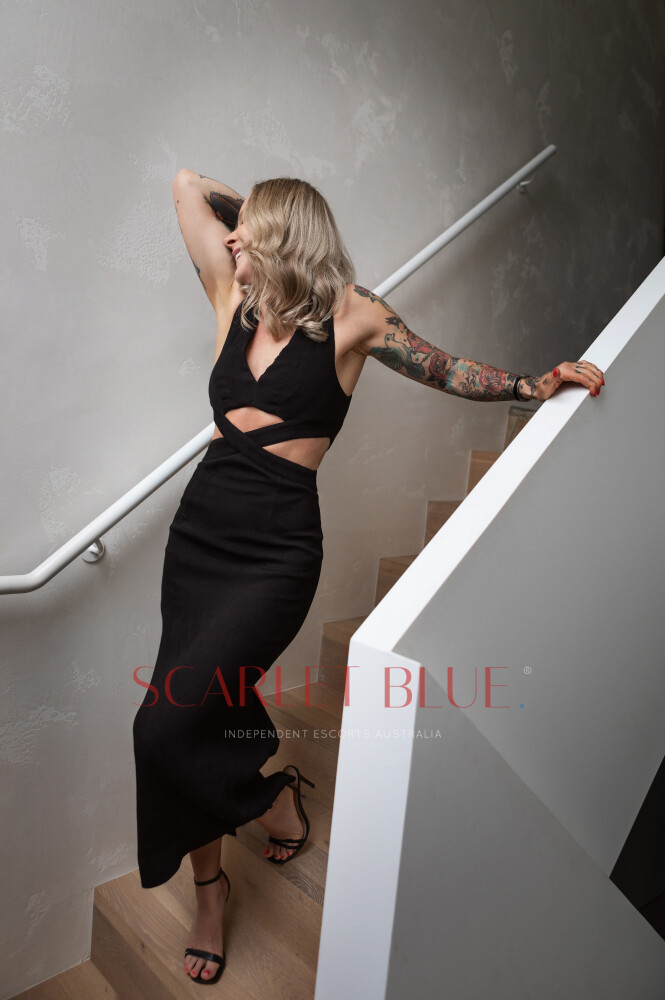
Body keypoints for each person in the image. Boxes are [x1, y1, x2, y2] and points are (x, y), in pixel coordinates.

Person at [132, 169, 605, 985]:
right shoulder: (232, 299)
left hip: (275, 553)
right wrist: (255, 213)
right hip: (199, 537)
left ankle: (271, 801)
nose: (230, 238)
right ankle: (212, 887)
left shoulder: (353, 316)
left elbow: (444, 369)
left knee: (163, 728)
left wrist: (531, 385)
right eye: (234, 231)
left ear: (284, 234)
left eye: (249, 230)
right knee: (192, 717)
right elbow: (185, 186)